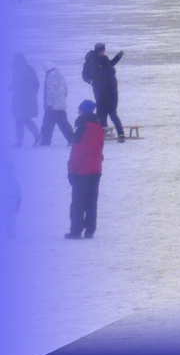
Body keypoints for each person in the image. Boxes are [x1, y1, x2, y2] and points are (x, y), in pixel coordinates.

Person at [65, 99, 104, 238]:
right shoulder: (98, 127)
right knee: (91, 200)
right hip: (96, 168)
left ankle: (76, 230)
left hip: (81, 169)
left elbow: (77, 151)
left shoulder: (82, 127)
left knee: (77, 202)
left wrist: (71, 169)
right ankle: (90, 229)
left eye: (79, 109)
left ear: (83, 111)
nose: (78, 112)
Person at [81, 43, 124, 142]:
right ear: (99, 51)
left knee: (104, 113)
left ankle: (105, 132)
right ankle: (114, 133)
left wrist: (118, 56)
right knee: (107, 113)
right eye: (102, 50)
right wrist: (90, 80)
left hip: (105, 90)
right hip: (104, 90)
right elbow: (87, 74)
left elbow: (110, 65)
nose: (103, 52)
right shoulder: (94, 61)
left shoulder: (102, 59)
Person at [38, 61, 73, 146]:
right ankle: (72, 139)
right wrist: (62, 99)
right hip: (61, 104)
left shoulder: (50, 76)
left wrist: (49, 104)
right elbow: (65, 90)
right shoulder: (60, 74)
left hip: (52, 106)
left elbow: (50, 92)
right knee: (64, 124)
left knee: (47, 124)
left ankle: (45, 141)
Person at [10, 54, 40, 148]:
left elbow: (15, 84)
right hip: (30, 98)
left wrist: (10, 87)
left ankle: (20, 141)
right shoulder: (30, 68)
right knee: (24, 118)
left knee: (19, 119)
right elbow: (37, 83)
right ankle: (36, 136)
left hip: (20, 99)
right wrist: (32, 94)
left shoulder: (18, 69)